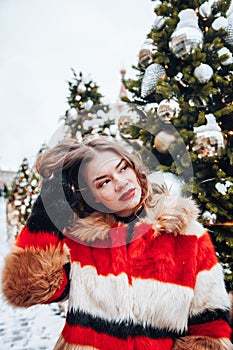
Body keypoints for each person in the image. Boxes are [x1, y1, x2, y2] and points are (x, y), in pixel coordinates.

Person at [1, 136, 233, 350]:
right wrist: (45, 216)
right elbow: (25, 290)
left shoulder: (188, 237)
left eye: (123, 168)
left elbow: (211, 333)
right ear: (92, 196)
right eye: (103, 182)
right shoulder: (82, 241)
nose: (121, 183)